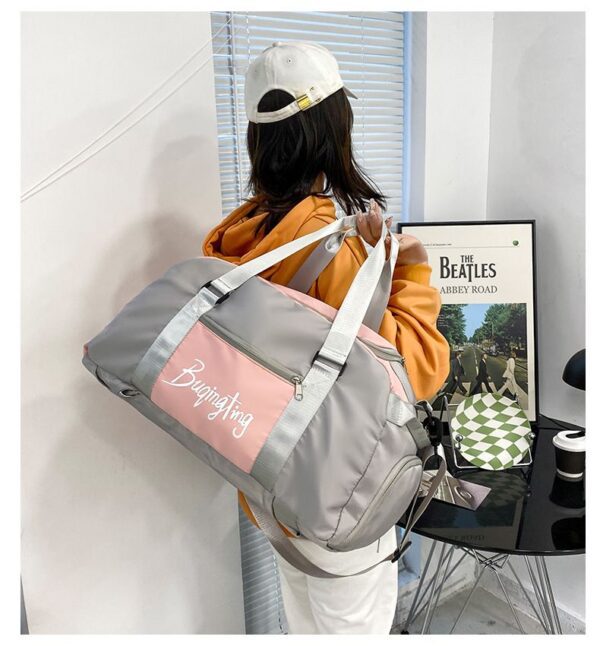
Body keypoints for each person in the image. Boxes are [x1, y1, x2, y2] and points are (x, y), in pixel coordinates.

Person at [202, 40, 450, 634]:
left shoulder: (241, 237)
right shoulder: (330, 246)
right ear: (335, 126)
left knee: (305, 622)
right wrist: (409, 268)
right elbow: (416, 371)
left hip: (272, 487)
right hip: (342, 493)